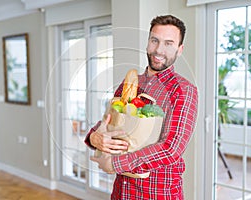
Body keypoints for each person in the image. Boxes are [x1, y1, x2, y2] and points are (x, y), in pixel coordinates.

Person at [84, 15, 198, 199]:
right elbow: (110, 123)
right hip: (122, 191)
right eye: (155, 40)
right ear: (148, 43)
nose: (159, 50)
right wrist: (94, 138)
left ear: (180, 49)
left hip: (157, 193)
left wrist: (115, 164)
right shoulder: (129, 83)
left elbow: (171, 148)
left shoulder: (183, 90)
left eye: (169, 43)